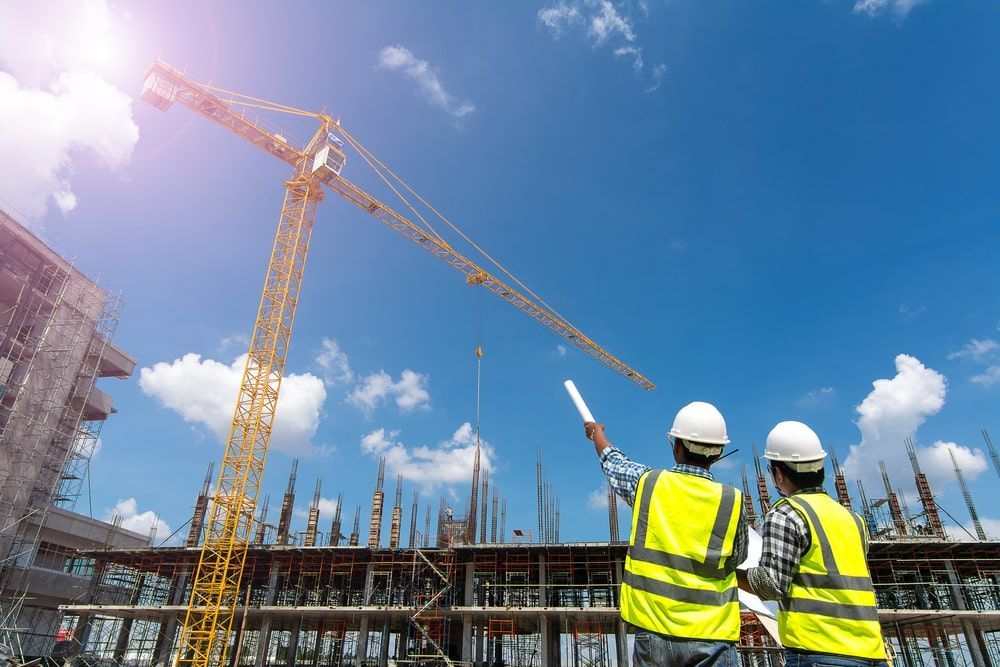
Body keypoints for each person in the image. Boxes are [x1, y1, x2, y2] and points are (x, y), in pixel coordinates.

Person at [585, 401, 748, 667]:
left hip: (654, 633)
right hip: (713, 636)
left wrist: (597, 433)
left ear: (677, 447)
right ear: (718, 453)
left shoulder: (649, 484)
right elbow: (736, 559)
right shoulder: (732, 501)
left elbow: (613, 463)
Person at [737, 421, 888, 667]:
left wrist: (727, 573)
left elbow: (771, 585)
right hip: (872, 651)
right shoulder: (852, 519)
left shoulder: (787, 513)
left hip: (818, 649)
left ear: (778, 473)